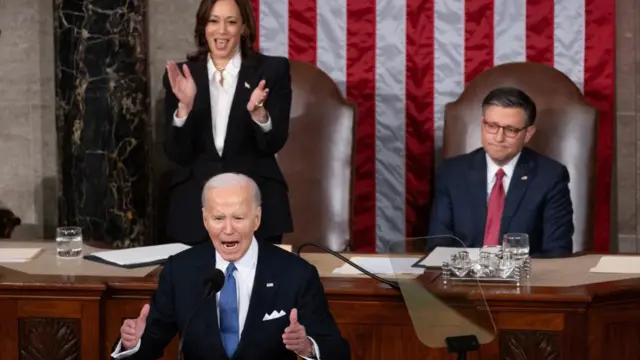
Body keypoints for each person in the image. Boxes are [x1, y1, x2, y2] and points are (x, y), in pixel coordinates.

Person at [111, 173, 350, 359]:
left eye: (238, 218)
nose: (228, 229)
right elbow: (148, 342)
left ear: (256, 218)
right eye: (218, 218)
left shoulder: (296, 274)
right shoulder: (180, 271)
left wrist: (307, 347)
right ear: (205, 219)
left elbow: (337, 351)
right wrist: (133, 343)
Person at [163, 0, 292, 246]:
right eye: (213, 21)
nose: (221, 30)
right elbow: (175, 153)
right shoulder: (182, 75)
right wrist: (184, 109)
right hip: (193, 211)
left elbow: (274, 142)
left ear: (243, 27)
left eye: (231, 21)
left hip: (257, 205)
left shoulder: (271, 70)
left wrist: (259, 114)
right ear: (204, 27)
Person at [428, 87, 574, 257]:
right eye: (492, 126)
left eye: (510, 130)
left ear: (528, 134)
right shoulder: (451, 173)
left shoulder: (551, 176)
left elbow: (557, 252)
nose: (498, 138)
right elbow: (438, 246)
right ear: (483, 124)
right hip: (463, 278)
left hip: (523, 279)